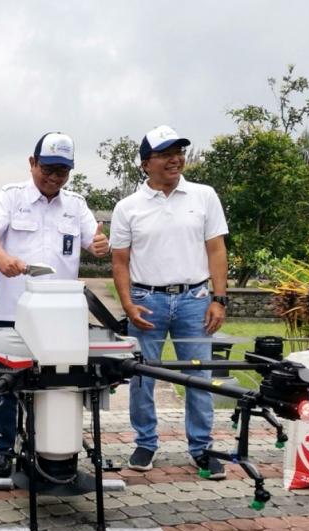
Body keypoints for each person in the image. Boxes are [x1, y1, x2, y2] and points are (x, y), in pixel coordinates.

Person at [0, 132, 109, 477]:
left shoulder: (76, 205)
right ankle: (3, 448)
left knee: (58, 382)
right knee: (6, 385)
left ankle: (50, 446)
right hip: (11, 310)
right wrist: (1, 256)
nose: (54, 178)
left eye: (62, 172)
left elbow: (92, 241)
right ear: (32, 163)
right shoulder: (12, 197)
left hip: (62, 316)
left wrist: (99, 245)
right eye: (48, 169)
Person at [110, 125, 229, 479]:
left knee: (198, 375)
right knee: (142, 376)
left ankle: (202, 448)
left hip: (194, 299)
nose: (175, 159)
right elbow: (120, 260)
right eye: (165, 154)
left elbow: (216, 249)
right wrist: (128, 304)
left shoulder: (204, 196)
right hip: (147, 301)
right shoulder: (127, 207)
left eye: (179, 151)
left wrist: (218, 299)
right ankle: (146, 442)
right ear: (147, 163)